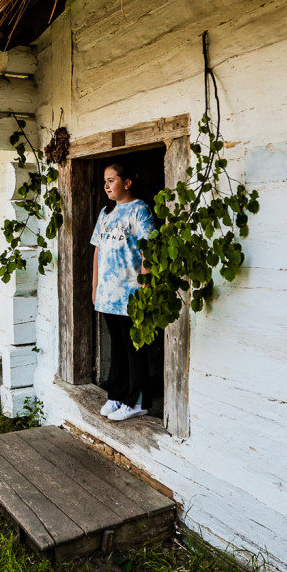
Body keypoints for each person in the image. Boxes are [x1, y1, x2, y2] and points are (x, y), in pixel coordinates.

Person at [91, 163, 156, 422]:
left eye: (111, 180)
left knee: (133, 348)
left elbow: (148, 252)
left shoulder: (140, 210)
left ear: (127, 183)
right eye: (104, 181)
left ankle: (137, 401)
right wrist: (95, 287)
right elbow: (97, 250)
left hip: (131, 293)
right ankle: (116, 395)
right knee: (117, 347)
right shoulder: (106, 213)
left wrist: (146, 287)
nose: (106, 185)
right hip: (108, 294)